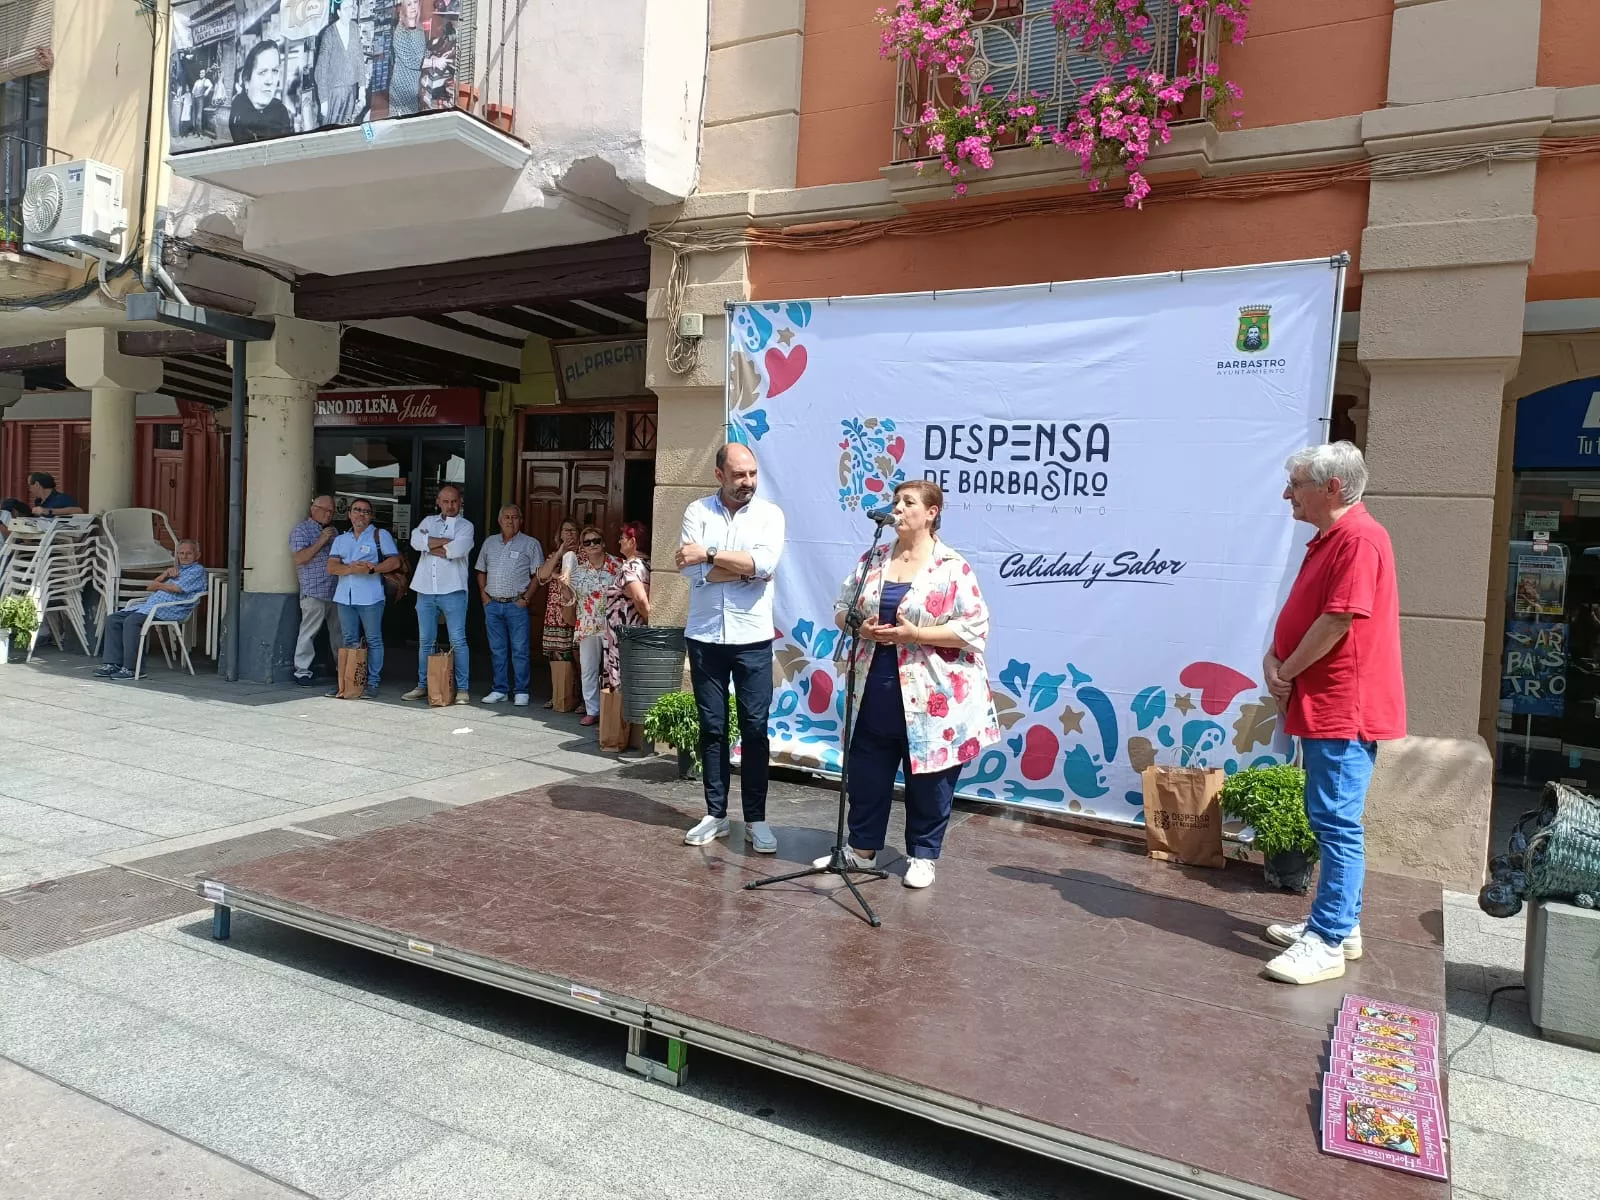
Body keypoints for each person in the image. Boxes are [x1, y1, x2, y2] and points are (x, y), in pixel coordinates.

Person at [1262, 441, 1405, 986]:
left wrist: (1288, 669)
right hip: (1326, 700)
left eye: (1295, 484)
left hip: (1345, 705)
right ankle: (1339, 926)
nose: (1286, 494)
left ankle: (1325, 940)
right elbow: (1311, 615)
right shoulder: (1331, 538)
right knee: (1331, 816)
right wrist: (1276, 658)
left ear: (1332, 488)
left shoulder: (1361, 537)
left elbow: (1339, 619)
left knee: (1335, 820)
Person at [818, 480, 999, 889]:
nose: (897, 508)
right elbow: (840, 609)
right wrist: (857, 624)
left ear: (932, 513)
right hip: (873, 685)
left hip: (934, 693)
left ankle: (922, 855)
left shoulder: (952, 566)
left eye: (908, 502)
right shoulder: (874, 558)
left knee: (930, 778)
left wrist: (917, 635)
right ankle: (861, 849)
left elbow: (975, 629)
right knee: (867, 771)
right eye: (896, 501)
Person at [676, 443, 786, 852]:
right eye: (739, 475)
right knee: (713, 728)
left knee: (755, 730)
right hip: (705, 636)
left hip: (752, 638)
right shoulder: (696, 512)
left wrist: (710, 554)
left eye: (753, 474)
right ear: (719, 475)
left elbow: (766, 565)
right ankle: (716, 814)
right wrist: (743, 569)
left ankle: (757, 819)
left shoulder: (770, 515)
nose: (748, 483)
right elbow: (694, 575)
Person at [94, 539, 208, 680]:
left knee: (131, 622)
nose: (184, 556)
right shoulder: (175, 570)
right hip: (150, 607)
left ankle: (132, 668)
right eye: (181, 553)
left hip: (172, 609)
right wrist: (165, 574)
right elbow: (150, 587)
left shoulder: (197, 570)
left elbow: (176, 589)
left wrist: (160, 585)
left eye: (188, 553)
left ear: (197, 555)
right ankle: (113, 663)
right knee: (113, 619)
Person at [404, 485, 474, 704]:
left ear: (460, 502)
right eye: (446, 501)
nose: (450, 506)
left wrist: (429, 544)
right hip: (425, 589)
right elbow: (415, 541)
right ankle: (424, 685)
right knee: (426, 641)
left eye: (454, 501)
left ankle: (462, 689)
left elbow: (457, 550)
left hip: (453, 589)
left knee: (458, 640)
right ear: (438, 502)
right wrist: (440, 542)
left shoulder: (466, 526)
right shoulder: (428, 522)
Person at [326, 501, 402, 699]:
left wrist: (372, 569)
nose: (361, 515)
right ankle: (347, 681)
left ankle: (372, 682)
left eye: (366, 512)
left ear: (371, 516)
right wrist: (352, 568)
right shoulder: (341, 539)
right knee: (348, 640)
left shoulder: (380, 535)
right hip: (345, 596)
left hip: (371, 597)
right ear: (349, 514)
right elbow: (332, 567)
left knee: (373, 640)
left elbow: (395, 561)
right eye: (357, 510)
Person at [475, 503, 543, 706]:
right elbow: (481, 570)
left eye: (515, 517)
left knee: (520, 650)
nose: (510, 521)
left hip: (516, 605)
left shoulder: (530, 544)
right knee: (497, 650)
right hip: (493, 604)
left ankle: (522, 690)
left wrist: (527, 599)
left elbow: (538, 576)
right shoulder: (490, 543)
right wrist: (484, 596)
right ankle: (500, 689)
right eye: (507, 517)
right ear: (499, 520)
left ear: (521, 521)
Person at [569, 526, 621, 727]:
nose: (592, 545)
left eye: (596, 540)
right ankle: (593, 710)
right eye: (587, 542)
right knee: (589, 670)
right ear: (582, 547)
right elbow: (570, 599)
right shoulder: (578, 571)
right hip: (587, 625)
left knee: (612, 670)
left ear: (603, 542)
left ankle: (611, 710)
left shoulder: (618, 565)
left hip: (612, 625)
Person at [289, 495, 338, 686]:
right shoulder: (301, 530)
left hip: (335, 590)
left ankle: (342, 668)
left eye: (331, 511)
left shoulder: (335, 531)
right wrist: (321, 540)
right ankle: (302, 671)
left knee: (339, 633)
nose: (328, 514)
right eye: (325, 510)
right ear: (313, 509)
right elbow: (300, 558)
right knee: (309, 632)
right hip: (314, 590)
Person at [603, 520, 651, 696]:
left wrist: (648, 618)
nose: (619, 541)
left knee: (621, 682)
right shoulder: (648, 565)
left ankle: (619, 723)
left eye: (622, 538)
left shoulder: (630, 567)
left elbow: (640, 598)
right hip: (633, 632)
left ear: (633, 541)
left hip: (623, 635)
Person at [536, 518, 579, 708]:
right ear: (559, 534)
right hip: (554, 613)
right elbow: (542, 576)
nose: (570, 534)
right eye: (566, 530)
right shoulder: (555, 556)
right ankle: (559, 695)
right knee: (556, 656)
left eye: (573, 530)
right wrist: (560, 552)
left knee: (576, 657)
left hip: (574, 611)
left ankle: (580, 698)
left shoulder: (584, 555)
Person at [228, 41, 295, 143]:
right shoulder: (238, 111)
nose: (270, 81)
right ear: (247, 80)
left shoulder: (281, 111)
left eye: (275, 71)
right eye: (262, 72)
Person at [313, 2, 365, 127]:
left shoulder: (354, 28)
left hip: (351, 91)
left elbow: (359, 59)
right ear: (338, 12)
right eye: (345, 8)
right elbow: (321, 69)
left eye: (351, 8)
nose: (349, 12)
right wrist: (323, 100)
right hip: (334, 93)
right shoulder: (329, 34)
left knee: (346, 127)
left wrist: (362, 89)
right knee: (330, 129)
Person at [388, 0, 427, 116]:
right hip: (400, 90)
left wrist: (434, 56)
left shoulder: (420, 29)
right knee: (398, 127)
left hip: (414, 89)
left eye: (415, 2)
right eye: (408, 4)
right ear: (403, 8)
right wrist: (435, 62)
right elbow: (413, 61)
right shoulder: (400, 32)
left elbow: (422, 52)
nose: (413, 7)